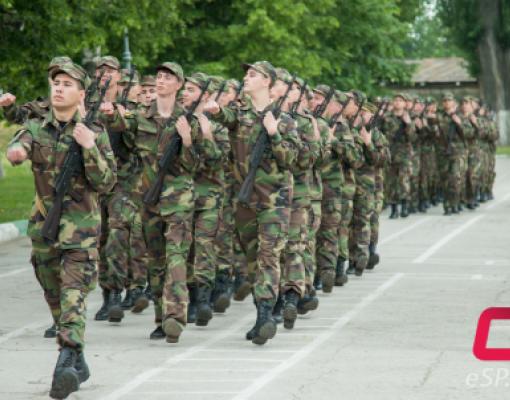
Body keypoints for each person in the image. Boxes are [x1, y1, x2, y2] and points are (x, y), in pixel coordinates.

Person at [6, 63, 116, 399]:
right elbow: (20, 145)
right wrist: (17, 152)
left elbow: (107, 182)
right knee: (55, 297)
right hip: (45, 229)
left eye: (67, 84)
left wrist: (89, 147)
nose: (58, 88)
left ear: (81, 94)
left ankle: (66, 362)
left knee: (72, 298)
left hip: (81, 233)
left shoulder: (94, 129)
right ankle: (78, 360)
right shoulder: (36, 126)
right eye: (55, 82)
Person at [204, 61, 300, 345]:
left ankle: (265, 315)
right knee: (251, 257)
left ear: (268, 81)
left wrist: (274, 133)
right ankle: (265, 308)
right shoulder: (240, 113)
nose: (246, 78)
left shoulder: (284, 119)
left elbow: (292, 160)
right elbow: (225, 117)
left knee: (268, 256)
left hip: (274, 200)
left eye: (253, 75)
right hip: (244, 199)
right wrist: (214, 109)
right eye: (245, 74)